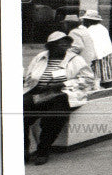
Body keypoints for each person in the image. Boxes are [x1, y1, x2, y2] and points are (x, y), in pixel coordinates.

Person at [23, 31, 97, 164]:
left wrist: (64, 83)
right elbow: (28, 77)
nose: (65, 45)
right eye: (60, 42)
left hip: (63, 94)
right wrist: (34, 86)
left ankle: (43, 150)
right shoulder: (40, 57)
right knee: (20, 113)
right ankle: (23, 150)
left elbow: (88, 79)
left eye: (67, 42)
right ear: (50, 45)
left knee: (54, 116)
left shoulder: (76, 59)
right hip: (39, 93)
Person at [82, 10, 112, 87]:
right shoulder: (102, 28)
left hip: (98, 56)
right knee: (107, 74)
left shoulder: (91, 30)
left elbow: (93, 45)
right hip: (106, 54)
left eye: (84, 20)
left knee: (98, 77)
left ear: (89, 21)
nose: (83, 22)